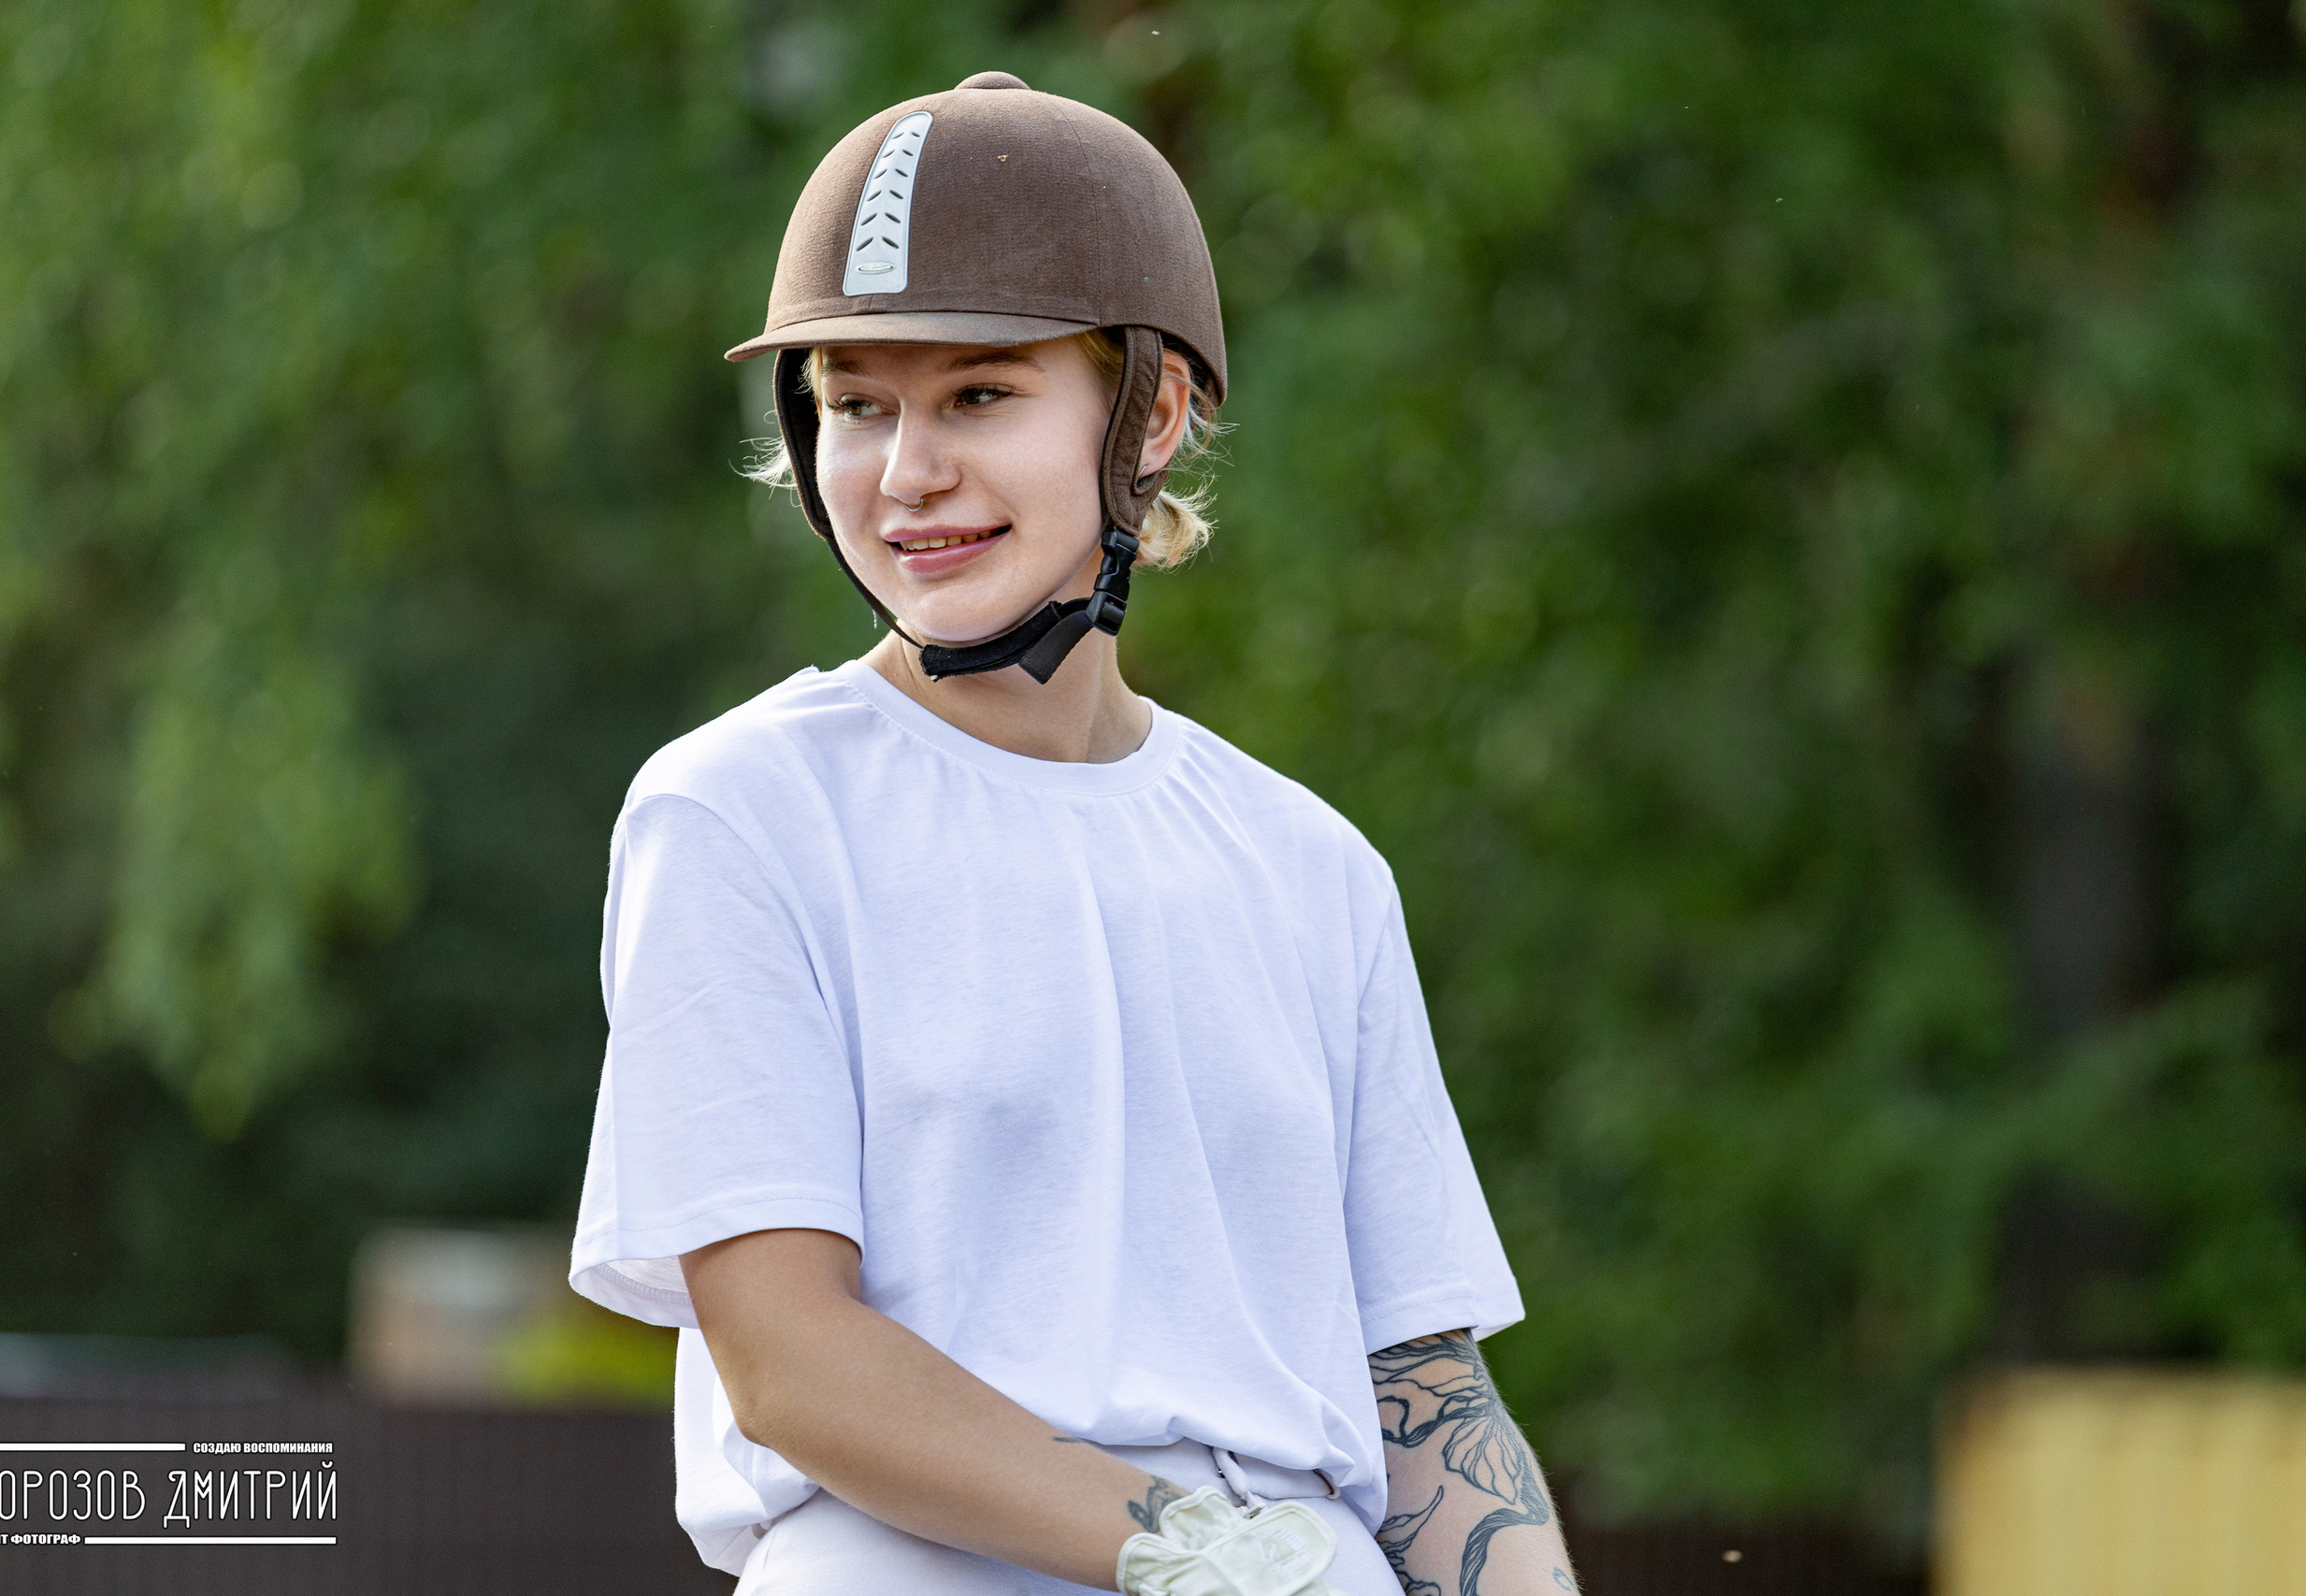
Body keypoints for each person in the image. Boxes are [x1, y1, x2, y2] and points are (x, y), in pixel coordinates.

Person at [569, 71, 1582, 1596]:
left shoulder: (1311, 866)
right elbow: (791, 1364)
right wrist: (1208, 1563)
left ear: (1152, 413)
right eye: (857, 404)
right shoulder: (740, 813)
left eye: (978, 395)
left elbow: (1420, 1390)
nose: (907, 471)